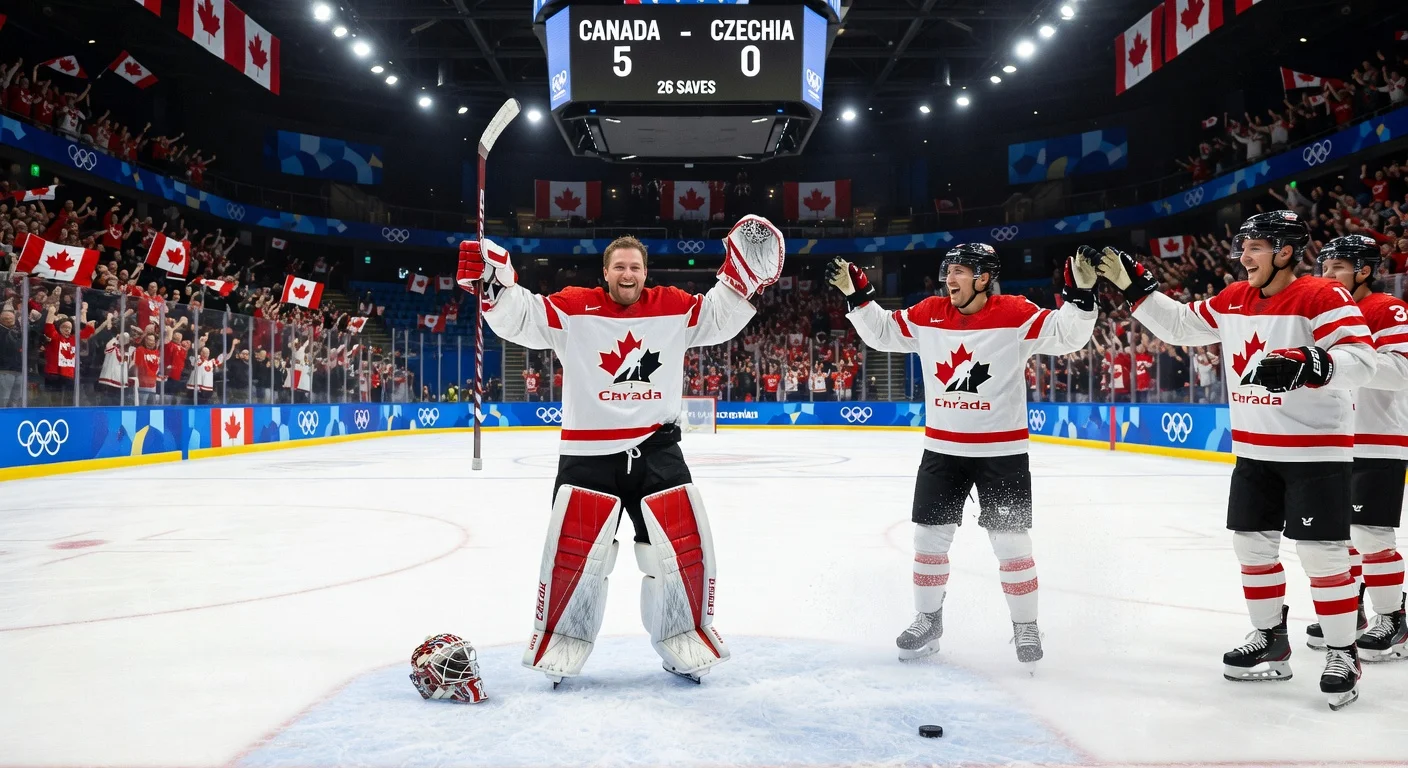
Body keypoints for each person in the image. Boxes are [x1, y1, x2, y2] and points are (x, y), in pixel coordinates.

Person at [457, 216, 784, 685]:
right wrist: (494, 285)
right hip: (588, 456)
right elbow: (525, 317)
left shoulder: (672, 307)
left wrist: (741, 284)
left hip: (657, 450)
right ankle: (562, 638)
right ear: (604, 272)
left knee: (676, 553)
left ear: (645, 273)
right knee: (578, 557)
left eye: (635, 267)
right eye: (619, 268)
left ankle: (682, 636)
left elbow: (715, 318)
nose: (627, 275)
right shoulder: (574, 308)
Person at [1094, 211, 1377, 710]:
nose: (1243, 257)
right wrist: (1135, 288)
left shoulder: (1322, 296)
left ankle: (1342, 652)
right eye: (1242, 246)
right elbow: (1182, 326)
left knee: (1322, 555)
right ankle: (1271, 637)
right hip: (1254, 451)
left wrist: (1313, 363)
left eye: (1255, 247)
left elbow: (1363, 359)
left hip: (1316, 451)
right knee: (1251, 547)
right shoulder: (1234, 298)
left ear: (1286, 252)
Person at [827, 243, 1098, 666]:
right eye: (947, 271)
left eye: (959, 271)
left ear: (984, 278)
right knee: (928, 541)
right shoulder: (927, 314)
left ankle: (1025, 626)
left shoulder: (1015, 312)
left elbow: (1068, 335)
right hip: (943, 450)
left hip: (1001, 453)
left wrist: (1081, 297)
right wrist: (857, 297)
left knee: (1011, 544)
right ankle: (928, 619)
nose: (949, 279)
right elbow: (881, 332)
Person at [1311, 235, 1408, 661]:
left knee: (1371, 533)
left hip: (1379, 436)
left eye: (1337, 269)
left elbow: (1402, 370)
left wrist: (1341, 364)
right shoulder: (1328, 309)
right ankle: (1350, 612)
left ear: (1364, 271)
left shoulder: (1386, 308)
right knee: (1340, 535)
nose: (1327, 277)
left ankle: (1393, 619)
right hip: (1337, 437)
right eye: (1324, 268)